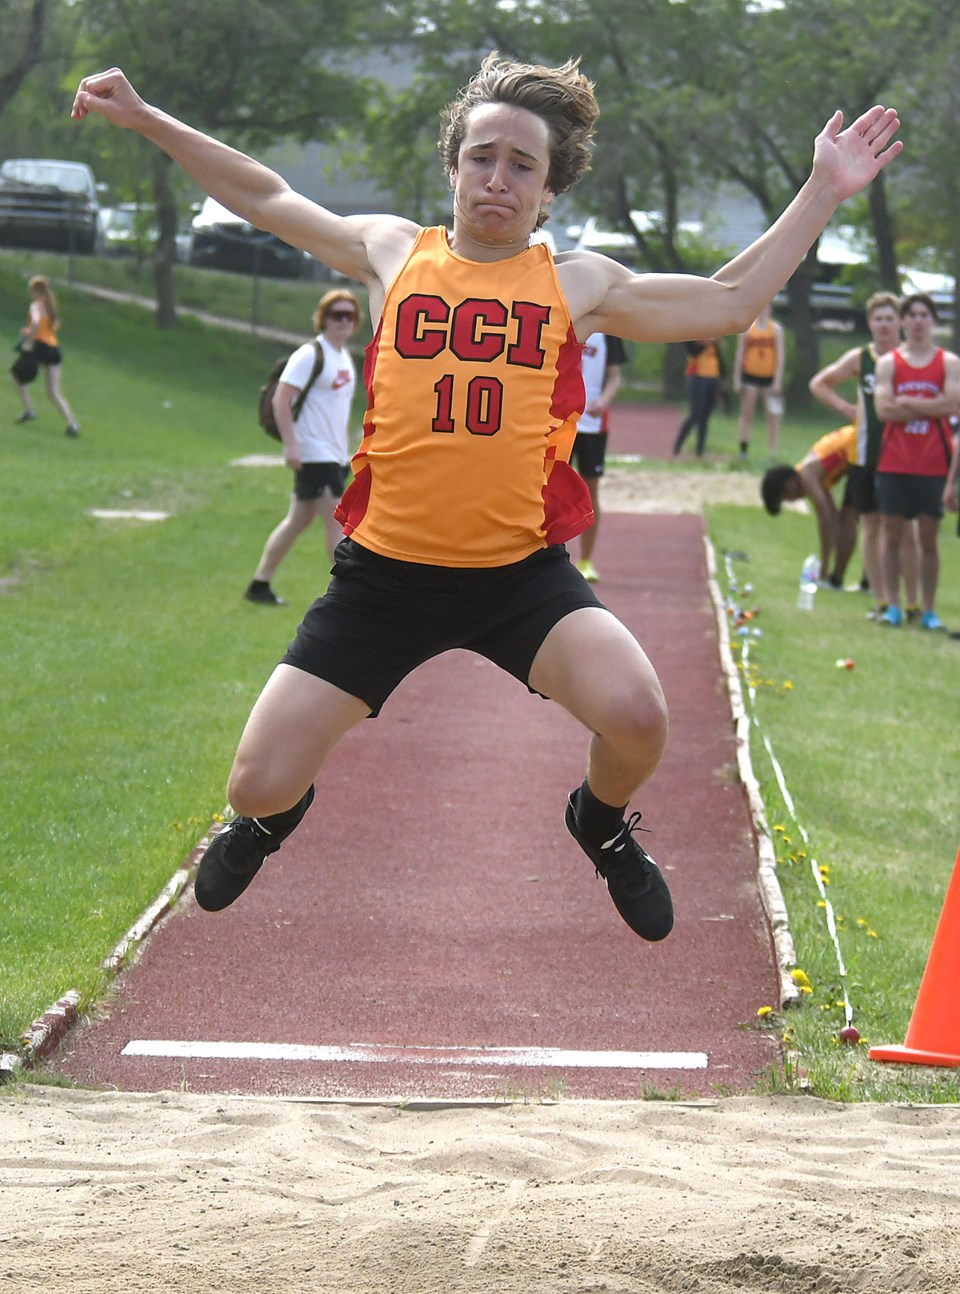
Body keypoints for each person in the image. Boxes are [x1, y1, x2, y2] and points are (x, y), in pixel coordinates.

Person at [72, 57, 900, 939]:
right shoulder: (393, 251)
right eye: (481, 157)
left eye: (521, 166)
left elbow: (731, 301)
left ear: (549, 190)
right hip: (384, 578)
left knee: (639, 720)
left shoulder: (578, 283)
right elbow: (266, 195)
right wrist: (151, 118)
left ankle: (600, 823)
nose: (496, 179)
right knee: (254, 782)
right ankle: (273, 820)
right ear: (453, 165)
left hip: (517, 577)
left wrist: (822, 188)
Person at [808, 290, 920, 619]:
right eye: (878, 319)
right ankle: (880, 598)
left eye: (889, 318)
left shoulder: (908, 358)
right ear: (870, 323)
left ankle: (909, 599)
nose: (884, 325)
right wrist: (846, 407)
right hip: (864, 454)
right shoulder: (862, 357)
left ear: (900, 322)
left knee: (903, 528)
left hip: (902, 456)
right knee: (870, 525)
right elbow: (820, 383)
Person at [245, 289, 359, 606]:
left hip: (334, 454)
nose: (343, 322)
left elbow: (337, 408)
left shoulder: (344, 358)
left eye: (349, 316)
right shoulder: (310, 354)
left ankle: (259, 584)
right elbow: (282, 398)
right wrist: (291, 445)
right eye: (337, 315)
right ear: (323, 318)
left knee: (299, 520)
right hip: (313, 453)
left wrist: (346, 447)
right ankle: (348, 598)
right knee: (338, 521)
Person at [873, 293, 960, 630]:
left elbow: (951, 406)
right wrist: (928, 402)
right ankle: (893, 606)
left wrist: (907, 400)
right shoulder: (890, 363)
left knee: (928, 539)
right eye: (912, 315)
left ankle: (928, 610)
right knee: (891, 534)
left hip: (933, 460)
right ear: (903, 321)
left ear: (933, 320)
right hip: (895, 460)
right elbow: (884, 410)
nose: (919, 321)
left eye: (925, 314)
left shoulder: (948, 363)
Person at [761, 424, 858, 586]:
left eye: (786, 497)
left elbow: (825, 521)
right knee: (849, 518)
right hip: (856, 448)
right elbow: (832, 518)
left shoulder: (807, 475)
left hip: (858, 450)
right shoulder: (815, 472)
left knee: (850, 519)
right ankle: (842, 579)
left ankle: (839, 578)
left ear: (789, 484)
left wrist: (823, 567)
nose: (793, 500)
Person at [572, 331, 625, 581]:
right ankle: (542, 557)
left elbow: (615, 377)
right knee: (546, 486)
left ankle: (585, 560)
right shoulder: (568, 316)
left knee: (590, 487)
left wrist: (603, 400)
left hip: (592, 422)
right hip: (560, 418)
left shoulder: (610, 333)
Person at [11, 275, 80, 437]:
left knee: (16, 375)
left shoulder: (36, 305)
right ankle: (72, 423)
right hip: (53, 350)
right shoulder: (50, 306)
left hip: (38, 347)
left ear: (35, 291)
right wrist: (32, 331)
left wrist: (28, 341)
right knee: (54, 391)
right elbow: (51, 327)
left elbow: (35, 323)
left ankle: (29, 410)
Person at [733, 304, 785, 456]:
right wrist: (737, 378)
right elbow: (740, 354)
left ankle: (773, 452)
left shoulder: (776, 330)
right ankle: (743, 449)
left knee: (772, 416)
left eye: (766, 307)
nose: (763, 311)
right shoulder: (748, 330)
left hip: (769, 377)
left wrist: (777, 380)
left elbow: (780, 357)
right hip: (751, 376)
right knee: (747, 413)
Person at [673, 338, 725, 457]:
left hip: (712, 376)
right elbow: (693, 352)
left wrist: (723, 377)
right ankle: (677, 446)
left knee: (705, 417)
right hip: (697, 376)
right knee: (695, 414)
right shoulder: (693, 333)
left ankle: (700, 451)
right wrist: (706, 342)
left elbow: (718, 357)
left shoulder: (713, 333)